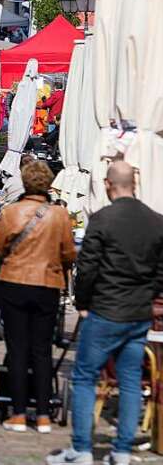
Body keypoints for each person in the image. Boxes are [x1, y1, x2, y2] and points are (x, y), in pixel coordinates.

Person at [46, 161, 163, 465]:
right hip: (138, 314)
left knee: (85, 377)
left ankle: (82, 448)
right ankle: (122, 451)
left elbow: (87, 268)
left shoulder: (102, 220)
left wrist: (82, 303)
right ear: (133, 185)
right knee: (130, 380)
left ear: (110, 184)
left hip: (105, 309)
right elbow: (161, 273)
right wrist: (148, 298)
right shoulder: (156, 222)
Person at [0, 161, 77, 435]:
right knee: (41, 350)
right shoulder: (60, 215)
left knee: (17, 349)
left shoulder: (11, 212)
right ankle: (41, 415)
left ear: (25, 183)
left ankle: (16, 414)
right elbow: (68, 254)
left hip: (13, 283)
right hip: (46, 286)